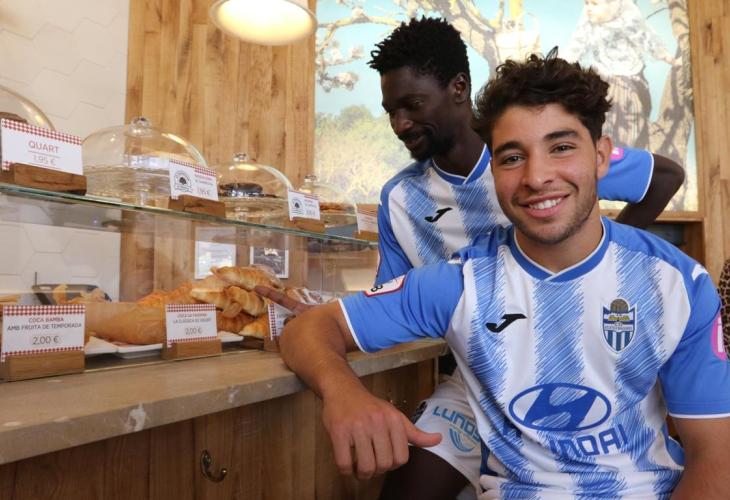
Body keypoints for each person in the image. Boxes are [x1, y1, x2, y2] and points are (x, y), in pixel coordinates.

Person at [263, 17, 685, 500]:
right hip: (474, 380)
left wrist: (608, 258)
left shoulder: (538, 157)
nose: (400, 124)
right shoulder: (399, 199)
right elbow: (391, 299)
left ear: (459, 88)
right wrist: (327, 317)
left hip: (580, 364)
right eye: (391, 112)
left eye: (412, 105)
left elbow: (665, 177)